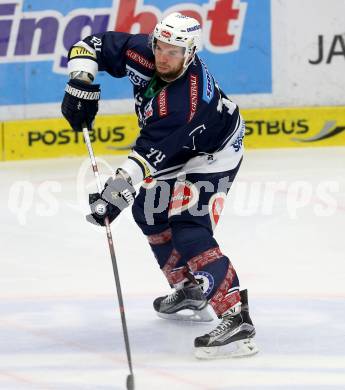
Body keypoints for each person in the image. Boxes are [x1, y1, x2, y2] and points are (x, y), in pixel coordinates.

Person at [61, 12, 258, 359]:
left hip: (213, 152)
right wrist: (81, 83)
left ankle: (235, 315)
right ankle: (189, 288)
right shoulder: (144, 52)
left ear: (191, 53)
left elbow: (145, 159)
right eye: (161, 47)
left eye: (174, 52)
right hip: (180, 145)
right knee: (148, 211)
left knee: (188, 226)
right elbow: (89, 45)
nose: (164, 57)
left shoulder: (185, 102)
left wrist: (115, 191)